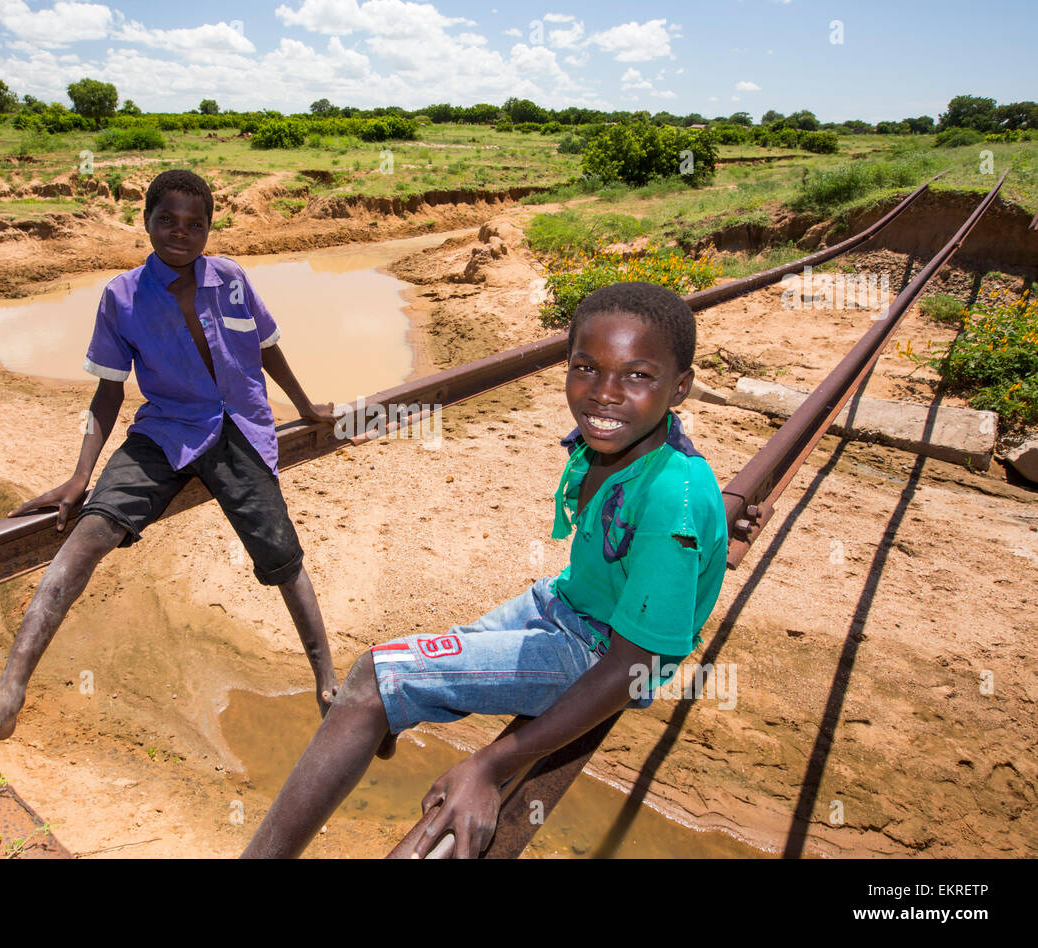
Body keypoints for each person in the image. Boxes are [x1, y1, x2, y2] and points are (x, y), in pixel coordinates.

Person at [242, 280, 728, 858]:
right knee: (386, 680)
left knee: (374, 678)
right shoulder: (623, 445)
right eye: (585, 367)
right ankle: (378, 718)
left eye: (638, 375)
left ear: (681, 388)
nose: (604, 393)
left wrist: (490, 764)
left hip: (599, 650)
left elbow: (636, 666)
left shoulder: (674, 498)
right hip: (562, 604)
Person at [0, 170, 340, 759]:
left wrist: (305, 409)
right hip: (166, 427)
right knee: (89, 532)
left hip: (238, 428)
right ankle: (6, 693)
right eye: (168, 221)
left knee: (281, 553)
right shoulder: (121, 297)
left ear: (209, 228)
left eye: (195, 223)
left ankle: (327, 683)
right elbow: (106, 392)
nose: (182, 233)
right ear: (145, 220)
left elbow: (266, 346)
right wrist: (80, 476)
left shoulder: (230, 278)